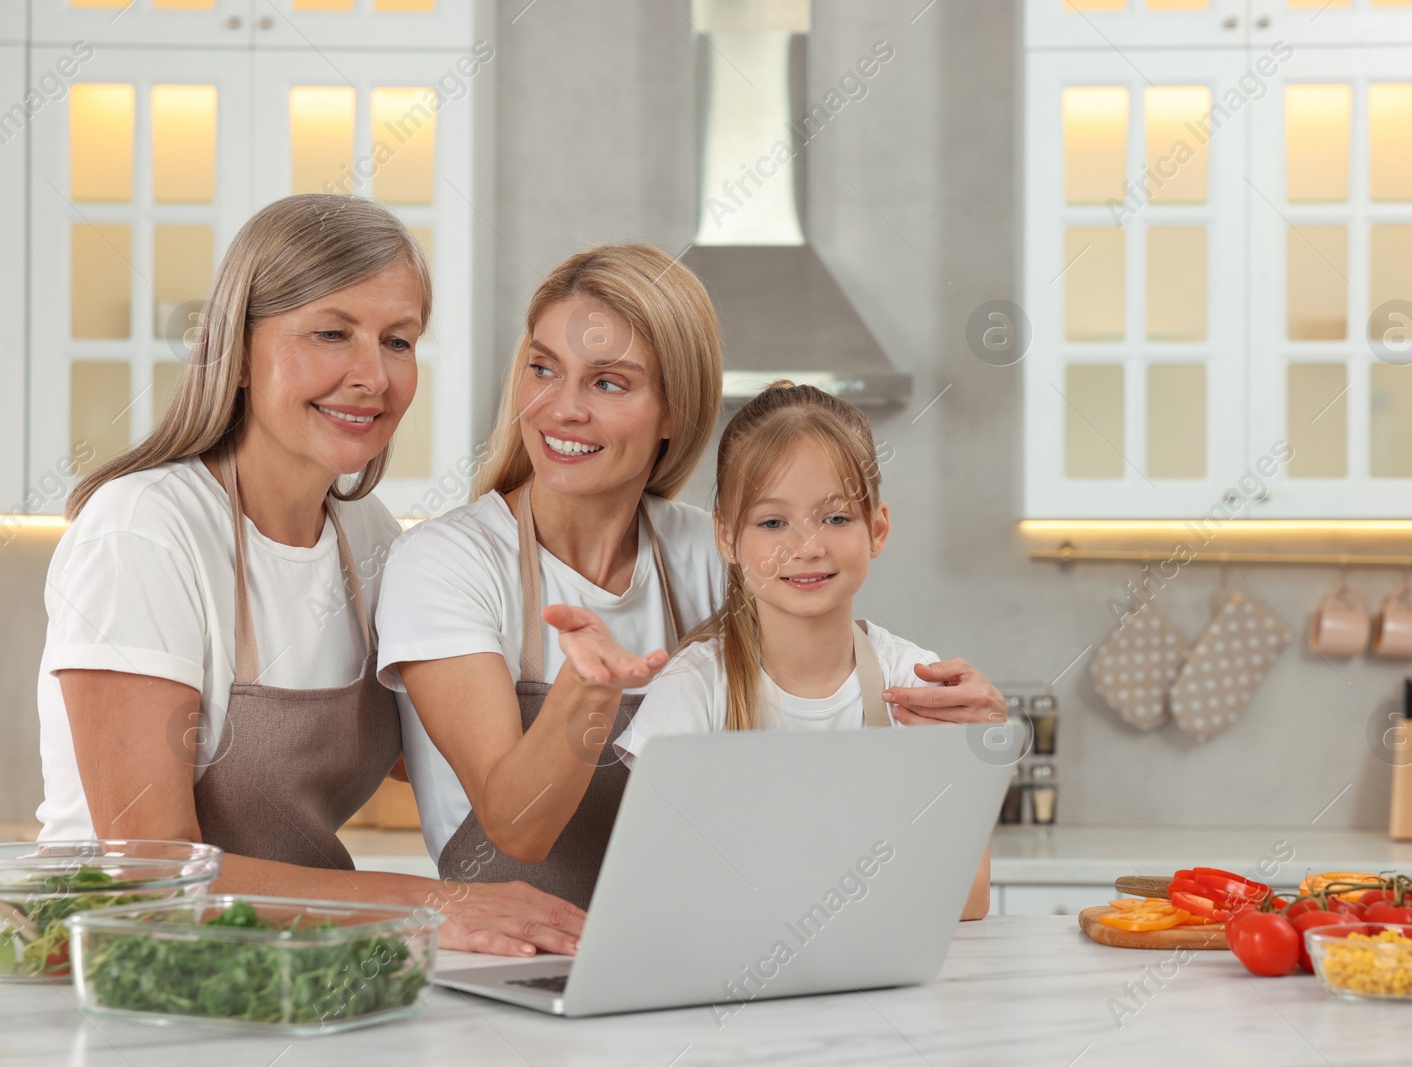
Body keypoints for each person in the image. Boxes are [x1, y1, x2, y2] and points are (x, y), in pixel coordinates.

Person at [381, 243, 1006, 912]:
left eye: (608, 382)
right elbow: (516, 827)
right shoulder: (446, 564)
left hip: (694, 947)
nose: (562, 408)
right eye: (543, 368)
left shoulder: (713, 553)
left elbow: (820, 712)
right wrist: (586, 691)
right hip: (506, 961)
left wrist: (962, 751)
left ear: (675, 411)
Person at [38, 194, 583, 957]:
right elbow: (148, 873)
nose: (373, 375)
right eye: (332, 333)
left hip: (302, 968)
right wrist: (433, 903)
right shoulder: (146, 531)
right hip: (127, 974)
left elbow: (442, 759)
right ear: (237, 348)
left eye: (399, 340)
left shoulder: (370, 537)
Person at [613, 382, 990, 919]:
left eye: (836, 518)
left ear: (877, 529)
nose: (807, 546)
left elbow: (970, 900)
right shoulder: (693, 690)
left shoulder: (914, 681)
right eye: (772, 522)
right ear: (726, 537)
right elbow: (651, 895)